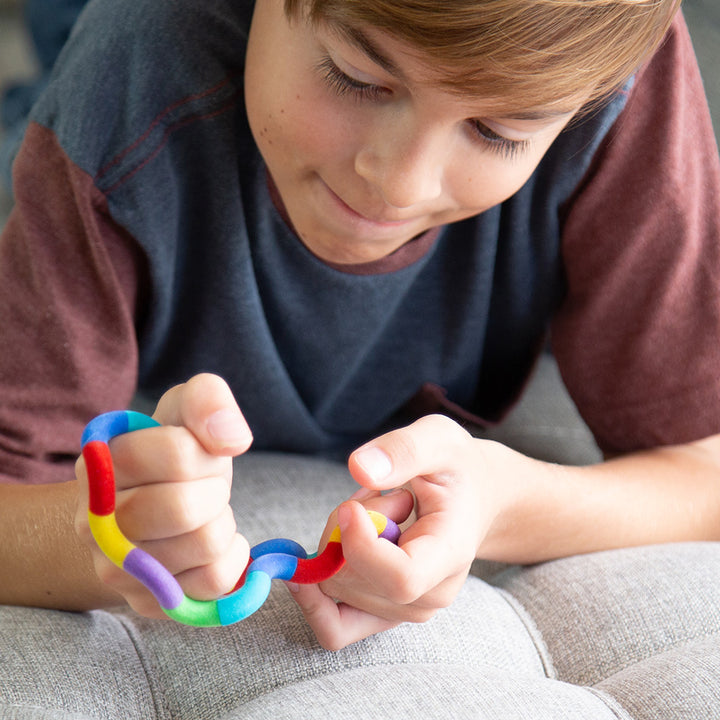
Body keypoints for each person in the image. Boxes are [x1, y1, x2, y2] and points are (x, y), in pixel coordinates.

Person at [1, 0, 719, 666]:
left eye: (500, 131)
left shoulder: (607, 60)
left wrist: (503, 504)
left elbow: (702, 474)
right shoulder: (128, 81)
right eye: (358, 77)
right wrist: (97, 540)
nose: (400, 186)